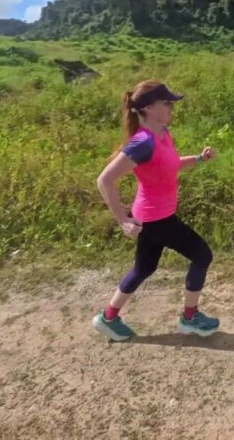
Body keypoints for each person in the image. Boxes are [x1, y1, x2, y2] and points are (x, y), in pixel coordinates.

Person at [92, 80, 219, 341]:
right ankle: (190, 318)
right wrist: (121, 220)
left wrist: (197, 159)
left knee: (144, 268)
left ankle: (108, 317)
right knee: (202, 254)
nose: (172, 107)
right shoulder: (142, 143)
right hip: (156, 219)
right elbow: (104, 180)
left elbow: (170, 165)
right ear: (149, 108)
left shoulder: (163, 133)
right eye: (167, 102)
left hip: (150, 216)